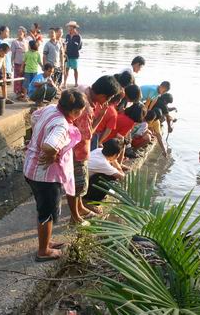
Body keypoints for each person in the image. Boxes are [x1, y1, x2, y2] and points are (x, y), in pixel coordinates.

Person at [24, 89, 86, 261]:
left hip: (31, 168)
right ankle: (43, 251)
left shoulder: (51, 108)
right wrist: (52, 154)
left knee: (44, 209)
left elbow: (34, 117)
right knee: (47, 213)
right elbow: (49, 145)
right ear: (74, 111)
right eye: (81, 111)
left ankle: (47, 241)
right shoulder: (61, 125)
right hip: (44, 177)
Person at [68, 76, 120, 224]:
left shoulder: (83, 89)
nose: (107, 103)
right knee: (76, 186)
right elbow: (88, 134)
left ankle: (81, 208)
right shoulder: (87, 109)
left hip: (72, 148)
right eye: (108, 99)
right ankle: (76, 216)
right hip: (77, 153)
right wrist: (101, 115)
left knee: (79, 185)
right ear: (103, 96)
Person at [84, 138, 125, 203]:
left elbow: (113, 163)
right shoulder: (103, 163)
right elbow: (122, 176)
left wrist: (114, 160)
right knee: (111, 177)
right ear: (115, 155)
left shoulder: (99, 150)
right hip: (82, 188)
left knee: (108, 173)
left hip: (80, 182)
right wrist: (118, 165)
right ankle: (92, 199)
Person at [11, 26, 28, 101]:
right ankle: (18, 93)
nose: (19, 33)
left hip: (26, 63)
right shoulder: (15, 42)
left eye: (21, 32)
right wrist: (12, 63)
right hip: (17, 62)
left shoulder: (26, 41)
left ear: (24, 33)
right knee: (17, 78)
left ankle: (24, 93)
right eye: (18, 32)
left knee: (25, 78)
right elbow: (13, 54)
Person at [63, 21, 82, 87]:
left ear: (74, 28)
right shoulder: (67, 36)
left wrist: (73, 50)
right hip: (67, 55)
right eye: (68, 27)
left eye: (70, 27)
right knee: (66, 69)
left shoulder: (78, 36)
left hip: (74, 56)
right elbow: (65, 44)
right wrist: (64, 52)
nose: (68, 28)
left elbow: (79, 47)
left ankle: (76, 83)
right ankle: (64, 83)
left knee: (75, 69)